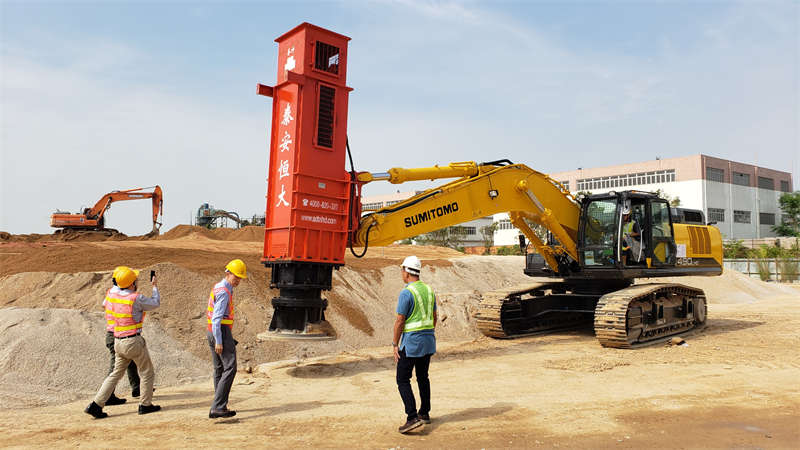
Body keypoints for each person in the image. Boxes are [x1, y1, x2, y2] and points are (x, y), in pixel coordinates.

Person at [85, 266, 161, 418]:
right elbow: (155, 303)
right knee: (147, 372)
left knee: (115, 374)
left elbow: (106, 304)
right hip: (133, 340)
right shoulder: (135, 298)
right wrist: (154, 286)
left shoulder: (112, 294)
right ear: (132, 283)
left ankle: (96, 404)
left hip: (118, 340)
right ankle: (145, 405)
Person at [392, 255, 437, 434]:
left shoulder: (406, 292)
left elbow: (399, 321)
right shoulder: (429, 290)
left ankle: (412, 417)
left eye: (402, 269)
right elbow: (433, 317)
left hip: (411, 343)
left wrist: (395, 344)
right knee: (423, 377)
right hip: (428, 341)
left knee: (402, 379)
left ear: (406, 271)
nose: (401, 273)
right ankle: (424, 413)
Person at [207, 259, 247, 419]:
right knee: (230, 368)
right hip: (219, 332)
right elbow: (217, 319)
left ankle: (218, 404)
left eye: (239, 278)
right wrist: (219, 340)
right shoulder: (224, 291)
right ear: (227, 273)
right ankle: (218, 406)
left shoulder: (219, 286)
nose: (237, 280)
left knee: (219, 369)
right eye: (235, 277)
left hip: (212, 331)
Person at [100, 267, 141, 406]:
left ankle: (137, 388)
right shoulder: (118, 295)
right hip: (116, 334)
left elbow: (104, 305)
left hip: (115, 333)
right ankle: (107, 396)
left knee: (130, 362)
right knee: (115, 368)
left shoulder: (111, 293)